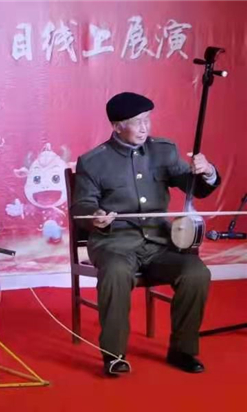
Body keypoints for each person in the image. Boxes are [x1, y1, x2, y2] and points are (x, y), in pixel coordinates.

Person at [71, 92, 220, 376]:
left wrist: (207, 171)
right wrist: (96, 216)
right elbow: (82, 205)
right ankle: (114, 355)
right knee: (116, 272)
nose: (144, 128)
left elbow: (195, 188)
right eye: (136, 122)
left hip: (160, 244)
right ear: (117, 126)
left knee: (196, 272)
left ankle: (182, 350)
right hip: (114, 243)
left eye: (147, 120)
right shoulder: (93, 161)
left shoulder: (163, 150)